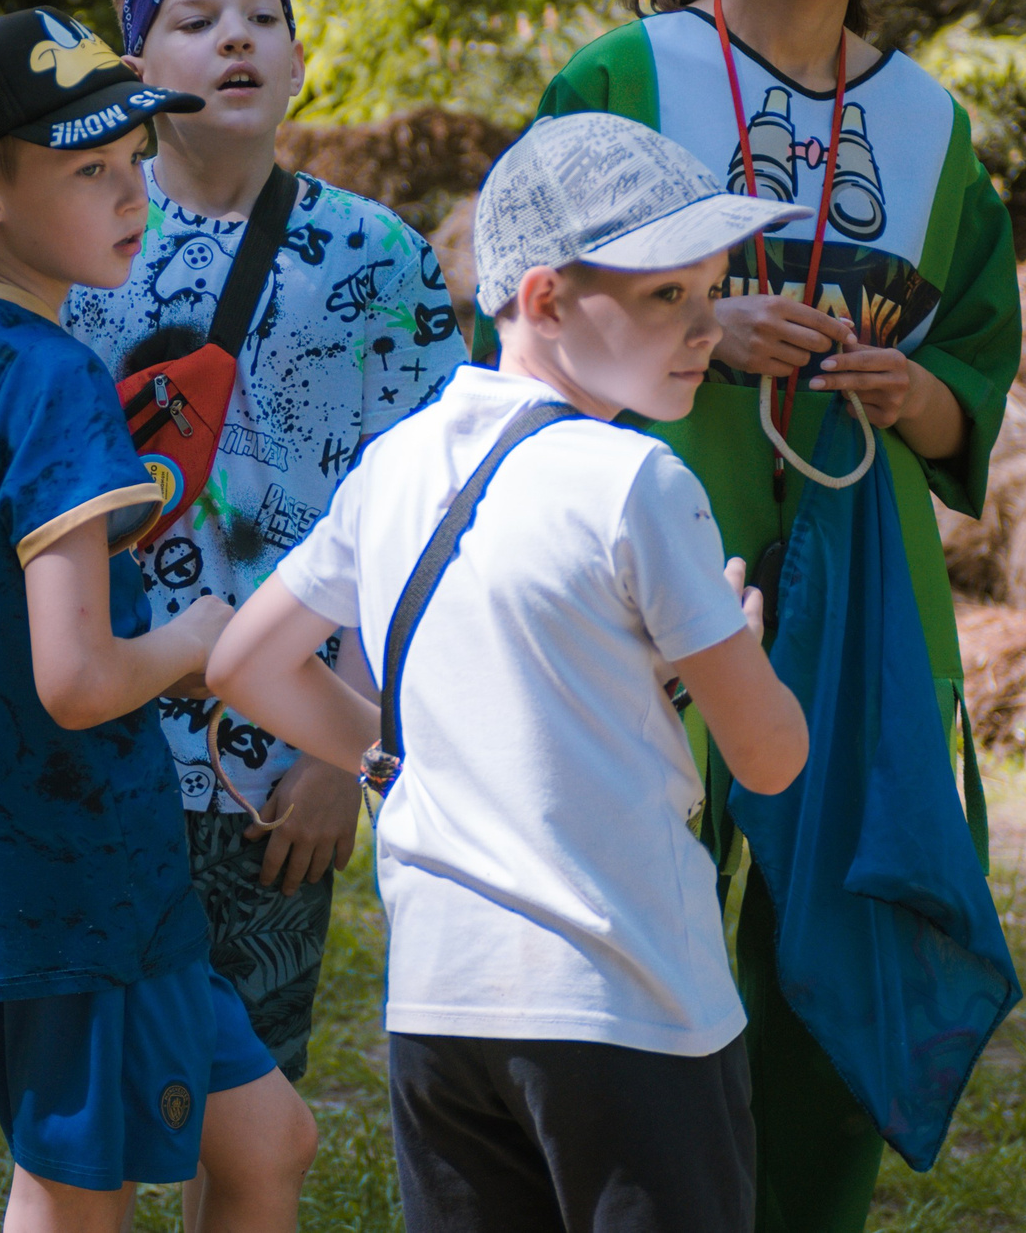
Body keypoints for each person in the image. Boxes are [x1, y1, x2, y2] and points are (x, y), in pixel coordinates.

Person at [534, 0, 1022, 1233]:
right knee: (633, 922)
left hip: (858, 577)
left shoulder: (932, 125)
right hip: (642, 552)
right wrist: (704, 325)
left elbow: (977, 363)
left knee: (840, 924)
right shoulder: (630, 81)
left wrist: (916, 391)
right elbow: (524, 306)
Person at [205, 113, 813, 1233]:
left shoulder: (394, 463)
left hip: (440, 1006)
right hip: (631, 1004)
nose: (702, 327)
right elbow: (770, 761)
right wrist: (735, 642)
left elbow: (244, 663)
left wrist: (395, 763)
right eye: (663, 296)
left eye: (710, 289)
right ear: (542, 300)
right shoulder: (638, 480)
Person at [0, 8, 317, 1233]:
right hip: (65, 861)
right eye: (86, 169)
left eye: (130, 164)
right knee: (71, 1187)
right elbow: (82, 680)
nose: (129, 194)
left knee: (266, 1138)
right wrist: (202, 638)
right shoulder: (52, 377)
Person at [60, 0, 463, 1115]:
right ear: (139, 73)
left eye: (262, 19)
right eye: (196, 21)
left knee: (252, 1100)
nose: (234, 40)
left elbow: (431, 512)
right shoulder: (76, 243)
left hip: (281, 761)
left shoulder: (377, 256)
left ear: (297, 60)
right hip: (101, 733)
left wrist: (351, 745)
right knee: (97, 1099)